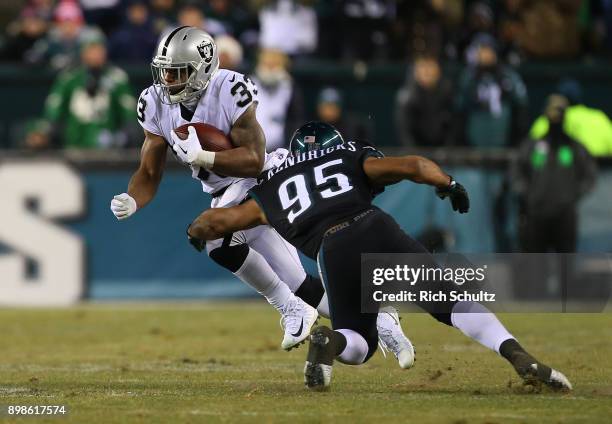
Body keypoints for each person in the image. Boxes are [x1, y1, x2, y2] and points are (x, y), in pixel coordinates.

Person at [186, 121, 572, 392]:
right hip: (373, 227)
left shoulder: (273, 190)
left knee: (358, 341)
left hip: (331, 250)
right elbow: (414, 166)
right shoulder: (347, 155)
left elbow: (218, 222)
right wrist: (448, 185)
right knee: (448, 301)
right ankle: (517, 354)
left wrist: (196, 231)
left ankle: (330, 341)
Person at [108, 27, 414, 362]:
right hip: (223, 191)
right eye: (164, 69)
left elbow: (253, 161)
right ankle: (381, 318)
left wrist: (205, 157)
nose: (167, 78)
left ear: (204, 68)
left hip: (265, 179)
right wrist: (133, 198)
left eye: (177, 71)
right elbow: (150, 171)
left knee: (215, 239)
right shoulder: (153, 102)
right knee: (304, 286)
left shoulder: (231, 89)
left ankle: (290, 307)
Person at [29, 29, 137, 149]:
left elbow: (129, 113)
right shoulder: (69, 78)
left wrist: (126, 133)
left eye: (100, 49)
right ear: (82, 52)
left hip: (108, 146)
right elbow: (53, 109)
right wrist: (47, 130)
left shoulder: (117, 78)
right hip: (74, 144)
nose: (96, 54)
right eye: (91, 49)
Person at [516, 94, 597, 253]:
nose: (555, 116)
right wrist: (528, 193)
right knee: (535, 264)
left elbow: (589, 175)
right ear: (545, 113)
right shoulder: (533, 146)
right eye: (552, 111)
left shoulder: (574, 147)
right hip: (537, 212)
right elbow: (517, 171)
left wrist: (572, 195)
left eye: (559, 112)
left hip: (564, 214)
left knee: (565, 266)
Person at [455, 35, 528, 148]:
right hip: (474, 138)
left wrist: (517, 138)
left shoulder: (508, 75)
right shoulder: (468, 77)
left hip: (503, 137)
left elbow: (521, 104)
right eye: (481, 50)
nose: (485, 54)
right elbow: (459, 108)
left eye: (488, 50)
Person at [530, 79, 612, 157]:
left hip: (571, 168)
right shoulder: (599, 116)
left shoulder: (552, 117)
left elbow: (532, 147)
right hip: (604, 168)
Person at [251, 48, 304, 151]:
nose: (270, 69)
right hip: (250, 147)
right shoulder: (248, 83)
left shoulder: (290, 87)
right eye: (267, 64)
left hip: (280, 149)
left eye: (275, 65)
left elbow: (296, 119)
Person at [395, 55, 454, 147]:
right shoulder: (407, 95)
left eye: (430, 66)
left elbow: (454, 126)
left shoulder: (447, 91)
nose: (427, 71)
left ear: (438, 70)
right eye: (423, 67)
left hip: (443, 151)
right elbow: (405, 132)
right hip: (417, 151)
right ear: (415, 72)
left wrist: (446, 151)